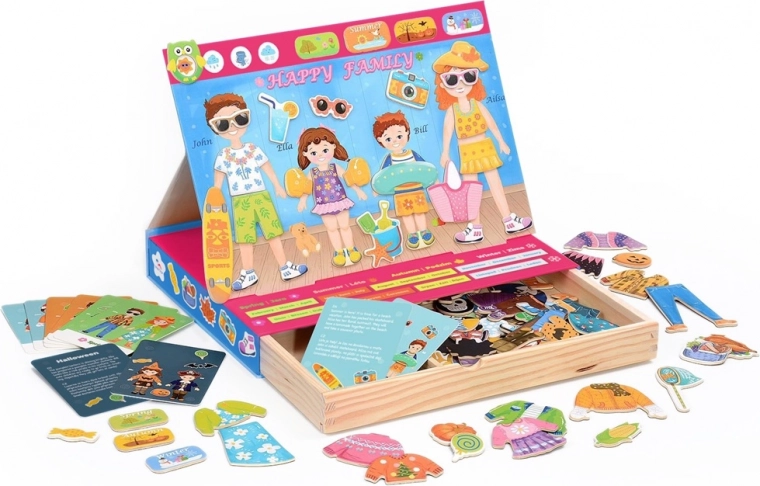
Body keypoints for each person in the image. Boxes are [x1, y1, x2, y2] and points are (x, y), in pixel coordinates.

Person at [204, 93, 308, 290]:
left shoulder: (252, 149)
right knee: (245, 239)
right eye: (223, 124)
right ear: (215, 128)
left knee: (272, 233)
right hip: (239, 201)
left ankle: (285, 267)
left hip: (261, 196)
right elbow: (218, 181)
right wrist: (216, 199)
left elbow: (266, 167)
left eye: (239, 118)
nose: (232, 127)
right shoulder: (223, 155)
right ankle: (248, 273)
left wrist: (277, 185)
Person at [432, 41, 533, 244]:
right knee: (471, 191)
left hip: (485, 148)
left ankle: (508, 220)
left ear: (475, 80)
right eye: (452, 79)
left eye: (468, 76)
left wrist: (501, 142)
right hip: (467, 152)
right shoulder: (452, 110)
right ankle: (475, 228)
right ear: (442, 84)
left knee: (496, 185)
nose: (460, 84)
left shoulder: (477, 104)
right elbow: (447, 131)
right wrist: (445, 152)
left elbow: (492, 124)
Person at [296, 126, 367, 267]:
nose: (320, 155)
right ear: (305, 154)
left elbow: (348, 178)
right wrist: (302, 200)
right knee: (332, 229)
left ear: (333, 146)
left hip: (341, 201)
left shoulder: (335, 167)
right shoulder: (312, 173)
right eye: (313, 152)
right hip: (324, 206)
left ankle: (351, 249)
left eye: (325, 150)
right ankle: (339, 252)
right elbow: (307, 188)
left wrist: (358, 190)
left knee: (345, 226)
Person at [372, 111, 435, 249]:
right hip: (400, 194)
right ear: (380, 140)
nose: (395, 141)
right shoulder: (389, 159)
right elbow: (383, 177)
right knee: (406, 215)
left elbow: (425, 170)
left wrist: (434, 180)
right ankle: (412, 234)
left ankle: (424, 231)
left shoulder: (413, 154)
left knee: (419, 212)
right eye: (388, 139)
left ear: (407, 132)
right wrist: (377, 189)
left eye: (399, 136)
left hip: (416, 190)